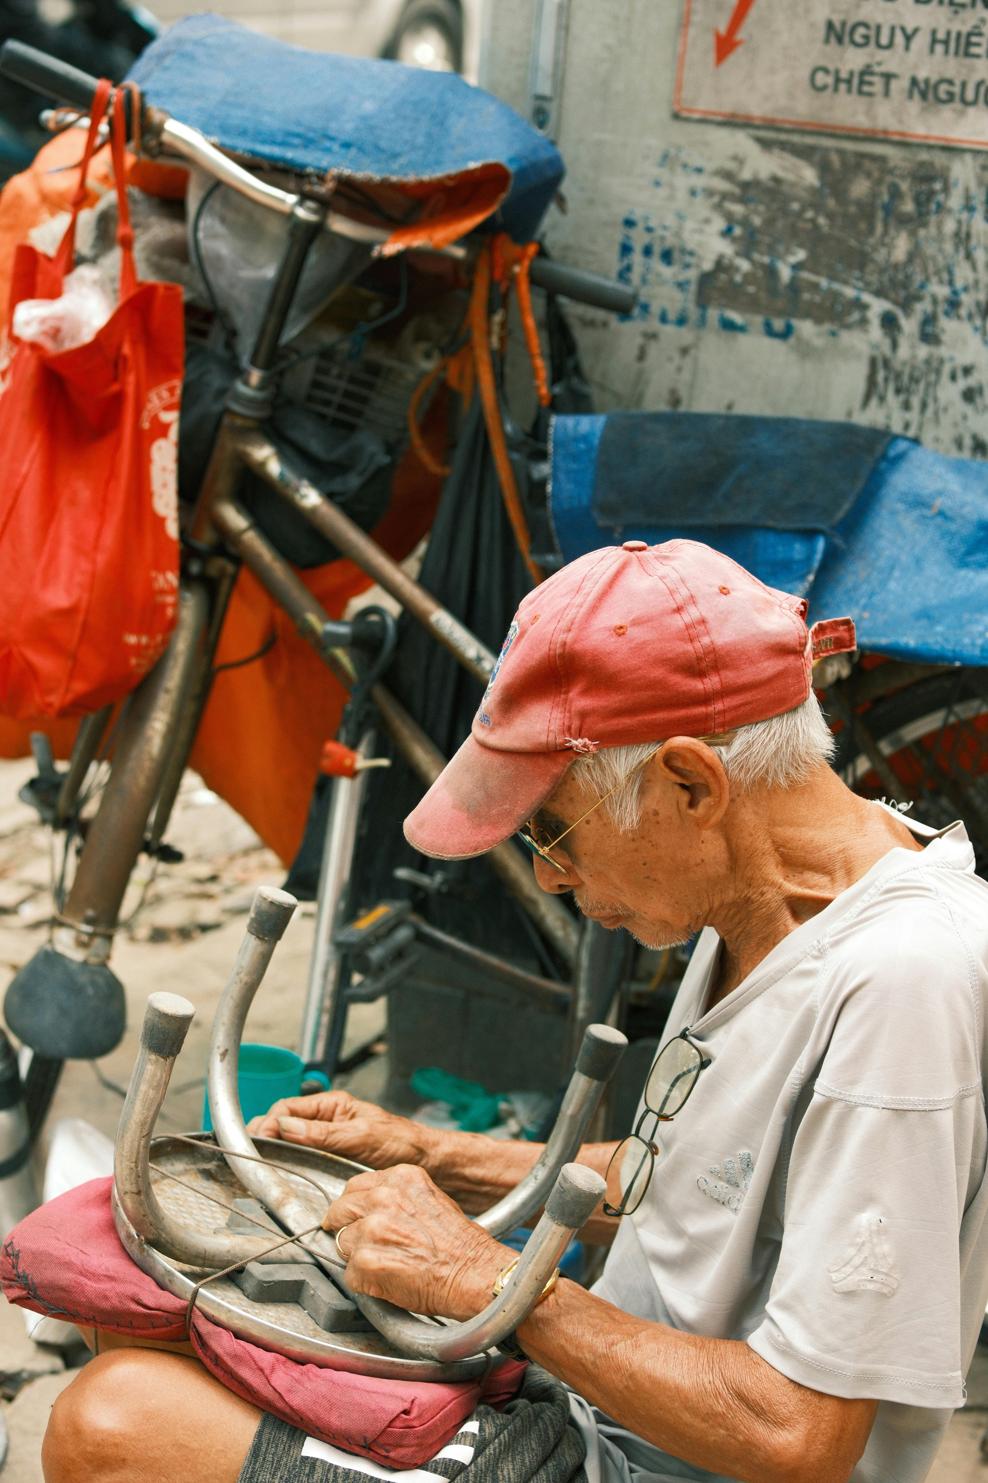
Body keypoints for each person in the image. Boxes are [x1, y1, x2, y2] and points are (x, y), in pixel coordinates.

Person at [41, 540, 988, 1483]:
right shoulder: (757, 892)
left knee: (113, 1424)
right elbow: (715, 1184)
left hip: (658, 1465)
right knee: (134, 1307)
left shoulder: (899, 983)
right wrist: (434, 1153)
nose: (544, 872)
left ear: (691, 782)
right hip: (597, 1411)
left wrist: (488, 1277)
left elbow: (800, 1435)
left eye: (552, 826)